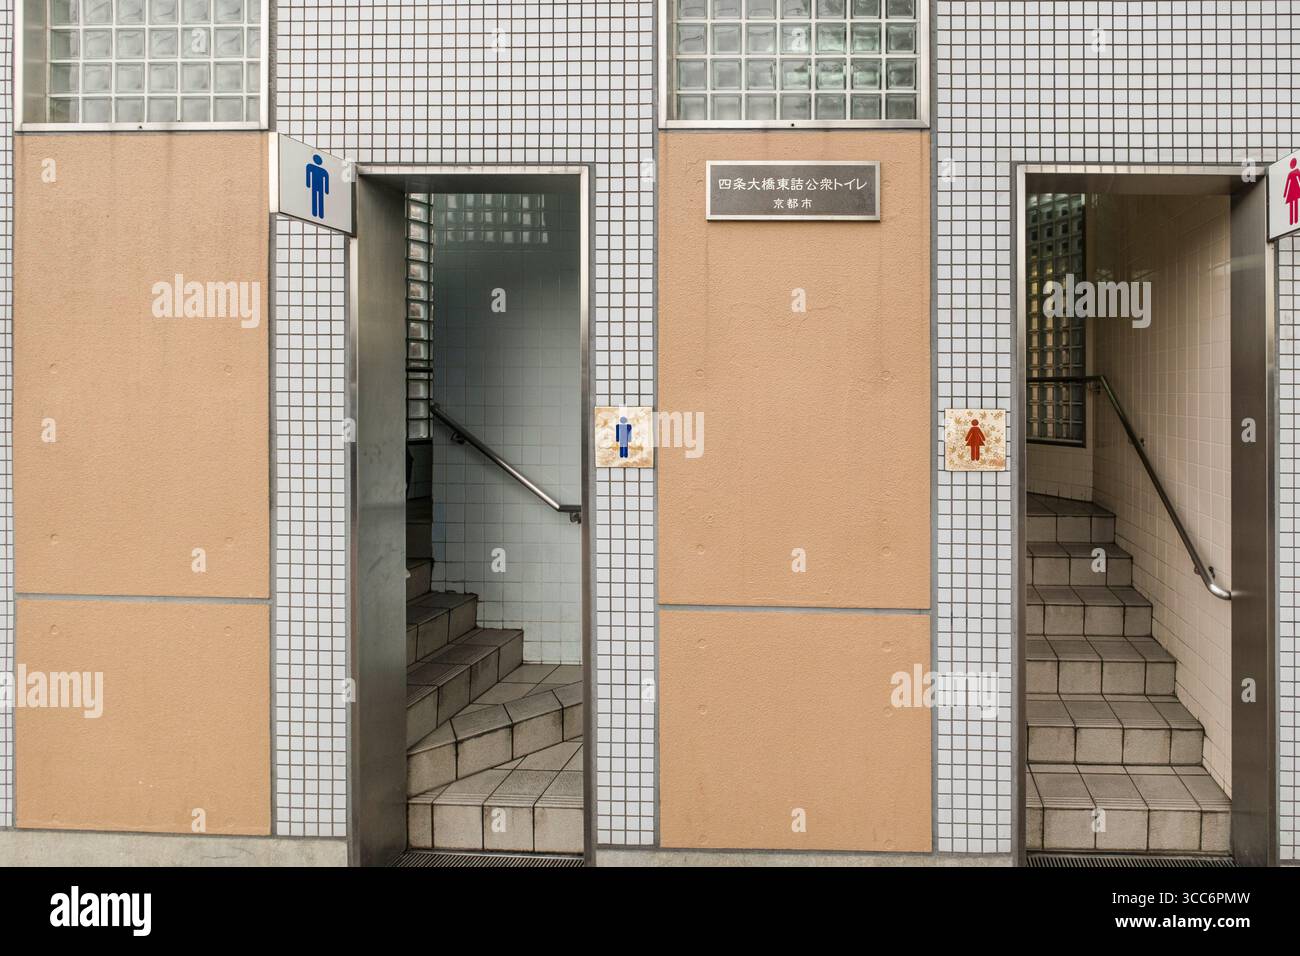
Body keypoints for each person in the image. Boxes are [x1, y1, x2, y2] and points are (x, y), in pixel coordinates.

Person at [306, 154, 330, 219]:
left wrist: (326, 190)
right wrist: (308, 184)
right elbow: (308, 175)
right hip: (315, 186)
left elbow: (326, 179)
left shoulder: (323, 170)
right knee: (315, 198)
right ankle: (315, 212)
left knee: (320, 199)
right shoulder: (310, 166)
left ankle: (320, 214)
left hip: (320, 187)